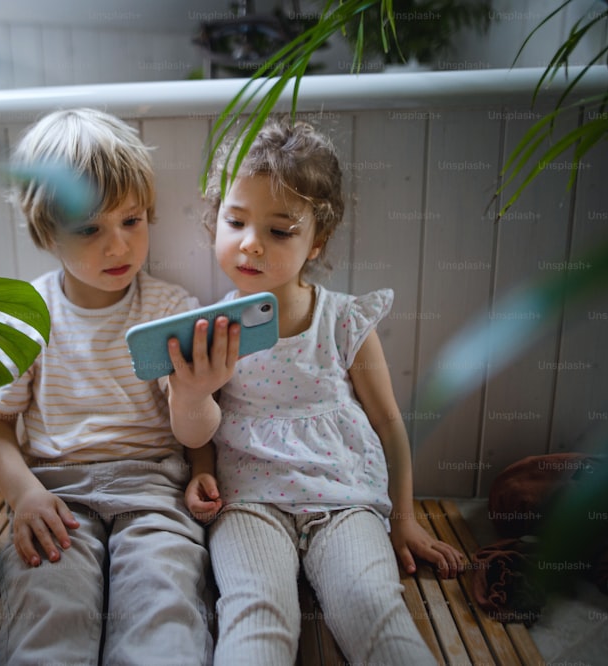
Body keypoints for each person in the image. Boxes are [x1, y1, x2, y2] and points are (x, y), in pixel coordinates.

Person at [186, 119, 465, 665]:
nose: (250, 244)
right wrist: (199, 465)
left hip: (344, 497)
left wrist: (404, 519)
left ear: (319, 241)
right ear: (214, 220)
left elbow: (387, 422)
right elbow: (204, 415)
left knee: (371, 602)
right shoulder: (212, 330)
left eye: (279, 231)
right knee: (256, 609)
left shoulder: (341, 320)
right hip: (249, 500)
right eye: (235, 221)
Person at [0, 108, 239, 666]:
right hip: (58, 498)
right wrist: (24, 495)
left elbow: (194, 431)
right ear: (48, 231)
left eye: (132, 221)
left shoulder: (170, 310)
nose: (118, 247)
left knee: (165, 609)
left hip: (153, 494)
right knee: (49, 614)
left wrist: (200, 445)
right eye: (90, 229)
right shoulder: (24, 316)